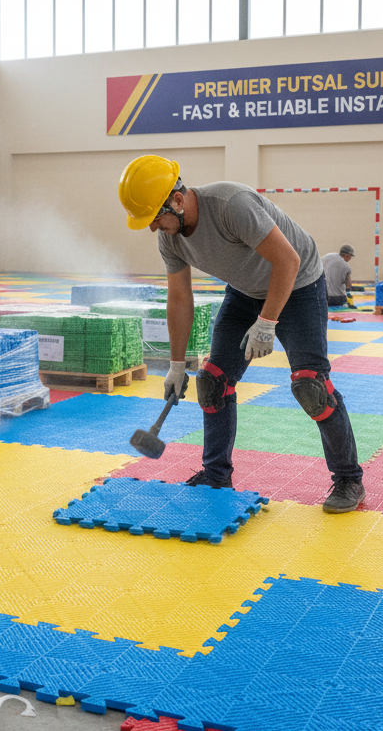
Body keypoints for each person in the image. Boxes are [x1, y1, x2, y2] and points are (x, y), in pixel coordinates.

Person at [118, 155, 365, 514]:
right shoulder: (171, 238)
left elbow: (288, 261)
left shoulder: (232, 206)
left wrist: (266, 324)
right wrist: (175, 365)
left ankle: (349, 479)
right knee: (213, 380)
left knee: (310, 385)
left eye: (156, 218)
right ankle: (216, 474)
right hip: (245, 291)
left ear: (177, 199)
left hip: (299, 283)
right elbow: (179, 298)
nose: (154, 228)